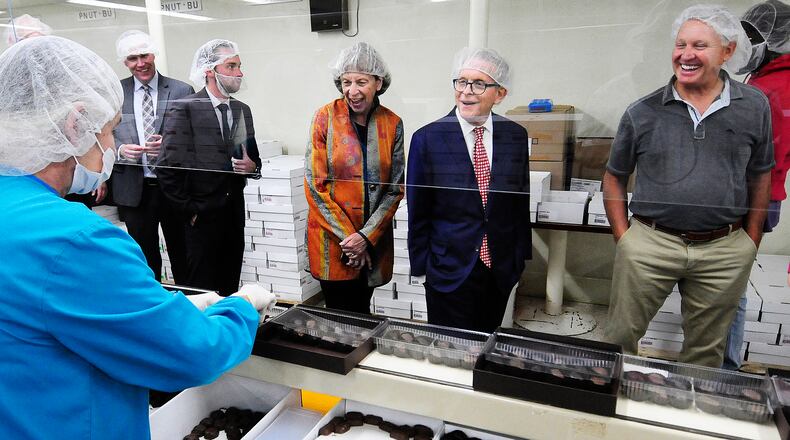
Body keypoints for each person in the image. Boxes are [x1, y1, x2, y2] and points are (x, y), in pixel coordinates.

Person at [0, 36, 275, 440]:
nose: (111, 146)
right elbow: (191, 354)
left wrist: (164, 308)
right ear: (76, 124)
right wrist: (243, 307)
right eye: (110, 130)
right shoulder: (77, 240)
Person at [603, 5, 774, 367]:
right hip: (651, 243)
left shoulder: (754, 106)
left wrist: (750, 239)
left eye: (700, 45)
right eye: (681, 45)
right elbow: (614, 175)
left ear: (727, 52)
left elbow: (761, 172)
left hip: (724, 248)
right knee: (619, 340)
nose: (686, 54)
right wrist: (625, 238)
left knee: (705, 353)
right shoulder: (642, 111)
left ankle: (691, 415)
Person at [407, 48, 531, 333]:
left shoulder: (514, 136)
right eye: (461, 82)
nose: (466, 92)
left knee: (487, 343)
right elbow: (419, 210)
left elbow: (519, 201)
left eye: (478, 84)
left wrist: (519, 260)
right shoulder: (428, 139)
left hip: (499, 266)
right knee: (450, 350)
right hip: (449, 268)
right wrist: (423, 268)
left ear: (499, 93)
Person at [304, 42, 404, 314]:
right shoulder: (324, 117)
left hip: (372, 241)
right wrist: (351, 239)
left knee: (361, 310)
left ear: (378, 82)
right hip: (334, 241)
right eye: (346, 82)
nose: (352, 90)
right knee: (339, 313)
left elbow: (395, 188)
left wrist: (366, 237)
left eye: (361, 81)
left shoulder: (392, 123)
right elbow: (315, 186)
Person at [158, 39, 261, 296]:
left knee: (229, 284)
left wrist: (252, 166)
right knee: (201, 290)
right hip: (200, 217)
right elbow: (167, 168)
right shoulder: (185, 109)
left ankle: (226, 334)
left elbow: (252, 159)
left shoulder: (242, 110)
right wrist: (190, 211)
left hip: (233, 214)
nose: (239, 73)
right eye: (231, 66)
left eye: (239, 66)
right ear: (210, 71)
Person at [722, 0, 790, 370]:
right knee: (730, 283)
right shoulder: (765, 81)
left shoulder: (775, 89)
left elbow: (761, 160)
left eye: (751, 37)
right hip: (757, 198)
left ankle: (725, 371)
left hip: (747, 200)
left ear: (776, 40)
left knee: (728, 287)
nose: (742, 47)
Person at [112, 30, 193, 284]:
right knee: (143, 257)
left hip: (173, 188)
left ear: (153, 54)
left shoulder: (181, 90)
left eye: (144, 55)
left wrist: (170, 146)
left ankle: (189, 304)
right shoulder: (115, 92)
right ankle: (153, 308)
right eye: (132, 58)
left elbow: (195, 137)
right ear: (125, 62)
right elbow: (102, 134)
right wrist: (120, 151)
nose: (140, 63)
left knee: (183, 252)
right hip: (134, 190)